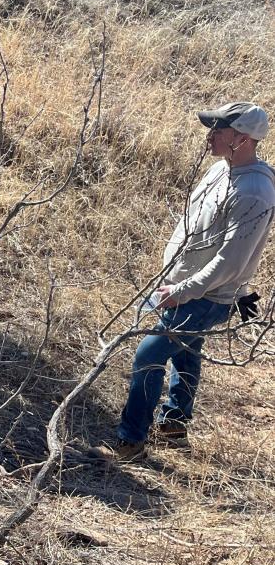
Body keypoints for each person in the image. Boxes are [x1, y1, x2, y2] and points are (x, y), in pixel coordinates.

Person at [105, 102, 274, 461]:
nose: (209, 135)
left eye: (219, 130)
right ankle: (174, 425)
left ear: (242, 139)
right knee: (186, 350)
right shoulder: (218, 169)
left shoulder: (254, 191)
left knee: (148, 355)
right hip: (182, 285)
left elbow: (229, 262)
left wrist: (181, 291)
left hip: (207, 296)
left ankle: (130, 441)